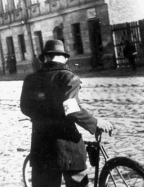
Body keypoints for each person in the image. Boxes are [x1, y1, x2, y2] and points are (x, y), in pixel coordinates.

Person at [20, 39, 113, 187]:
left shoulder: (30, 79)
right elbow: (72, 109)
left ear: (45, 58)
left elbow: (25, 108)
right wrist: (95, 123)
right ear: (65, 58)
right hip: (67, 147)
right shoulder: (67, 77)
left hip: (41, 146)